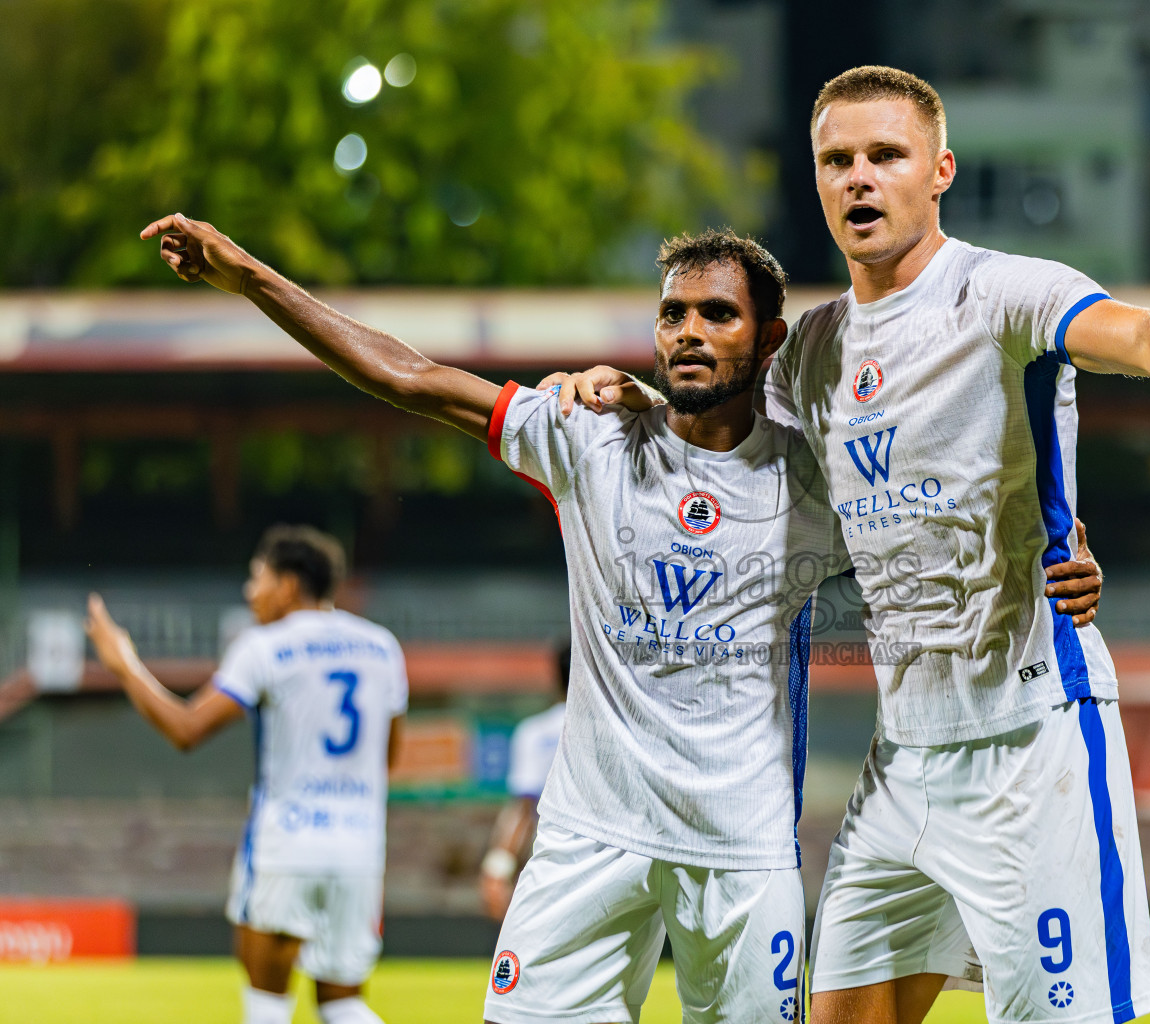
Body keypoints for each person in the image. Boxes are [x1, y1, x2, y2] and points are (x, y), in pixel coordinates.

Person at [137, 212, 1101, 1022]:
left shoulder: (818, 479)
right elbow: (408, 375)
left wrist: (1066, 555)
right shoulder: (587, 437)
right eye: (673, 313)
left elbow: (948, 530)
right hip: (588, 838)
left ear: (767, 343)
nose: (688, 330)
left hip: (743, 854)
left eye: (717, 314)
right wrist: (253, 278)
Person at [554, 64, 1150, 1024]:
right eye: (837, 160)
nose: (859, 178)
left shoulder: (1005, 293)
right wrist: (624, 393)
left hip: (1029, 740)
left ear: (940, 170)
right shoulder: (810, 352)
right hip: (902, 758)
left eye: (885, 155)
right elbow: (732, 452)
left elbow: (1123, 335)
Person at [84, 525, 407, 1024]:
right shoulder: (382, 648)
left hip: (287, 846)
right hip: (361, 851)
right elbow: (387, 758)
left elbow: (188, 729)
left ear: (288, 585)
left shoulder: (265, 647)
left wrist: (125, 665)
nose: (250, 592)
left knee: (267, 1009)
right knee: (344, 1006)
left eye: (257, 578)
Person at [479, 643, 570, 918]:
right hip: (612, 859)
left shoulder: (535, 732)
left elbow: (523, 810)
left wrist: (497, 868)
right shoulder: (618, 727)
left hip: (550, 858)